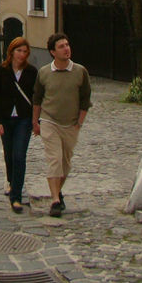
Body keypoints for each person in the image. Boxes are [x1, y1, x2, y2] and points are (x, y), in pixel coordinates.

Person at [32, 33, 91, 218]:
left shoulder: (80, 71)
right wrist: (36, 121)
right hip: (49, 120)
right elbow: (37, 99)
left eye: (67, 45)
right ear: (52, 52)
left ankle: (58, 192)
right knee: (54, 160)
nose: (66, 49)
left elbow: (85, 99)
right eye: (61, 46)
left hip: (71, 124)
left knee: (65, 164)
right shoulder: (44, 73)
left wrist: (79, 123)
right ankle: (55, 200)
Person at [0, 37, 38, 213]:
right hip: (6, 119)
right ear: (11, 52)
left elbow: (36, 98)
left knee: (19, 155)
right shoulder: (2, 71)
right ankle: (12, 182)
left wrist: (36, 120)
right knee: (9, 156)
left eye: (25, 52)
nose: (22, 55)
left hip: (23, 120)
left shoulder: (32, 72)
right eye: (19, 51)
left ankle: (16, 197)